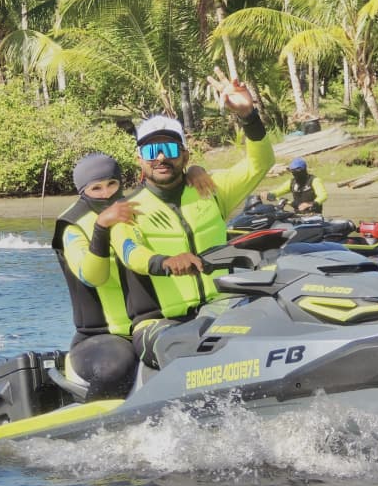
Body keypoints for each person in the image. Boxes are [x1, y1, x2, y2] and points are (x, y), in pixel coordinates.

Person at [99, 70, 275, 369]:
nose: (161, 158)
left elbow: (261, 162)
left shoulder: (210, 190)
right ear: (139, 159)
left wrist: (248, 114)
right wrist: (164, 262)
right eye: (151, 151)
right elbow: (132, 254)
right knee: (190, 346)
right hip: (159, 324)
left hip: (221, 308)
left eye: (168, 149)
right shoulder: (126, 210)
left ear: (185, 155)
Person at [52, 154, 142, 400]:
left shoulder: (136, 208)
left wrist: (194, 173)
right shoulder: (72, 227)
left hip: (147, 327)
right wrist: (101, 229)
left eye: (112, 184)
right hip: (99, 338)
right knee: (116, 365)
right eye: (96, 188)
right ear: (83, 191)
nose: (106, 194)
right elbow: (90, 275)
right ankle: (95, 431)